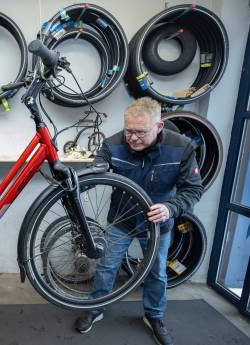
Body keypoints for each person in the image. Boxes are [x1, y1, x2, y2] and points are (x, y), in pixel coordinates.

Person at [75, 97, 204, 345]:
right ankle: (96, 308)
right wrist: (96, 168)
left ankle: (154, 316)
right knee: (106, 266)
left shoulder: (182, 147)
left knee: (156, 272)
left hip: (158, 223)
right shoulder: (113, 144)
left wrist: (171, 207)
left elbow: (193, 189)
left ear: (158, 127)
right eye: (129, 131)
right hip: (121, 220)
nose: (133, 138)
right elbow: (99, 163)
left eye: (140, 132)